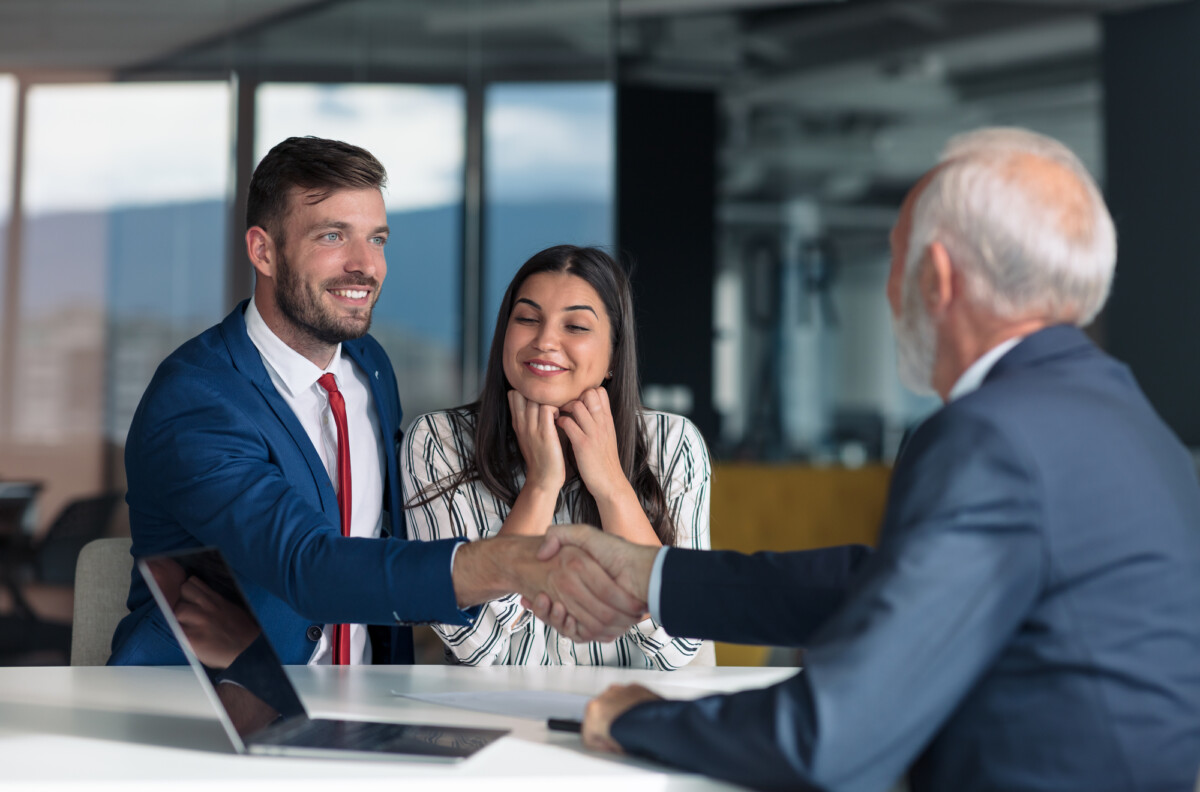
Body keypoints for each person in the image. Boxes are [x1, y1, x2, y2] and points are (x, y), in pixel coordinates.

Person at [529, 128, 1200, 791]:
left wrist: (641, 718)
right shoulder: (1131, 423)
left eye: (895, 260)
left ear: (935, 278)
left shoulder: (992, 439)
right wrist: (654, 576)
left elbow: (827, 736)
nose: (887, 293)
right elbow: (885, 589)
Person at [109, 136, 641, 668]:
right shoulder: (196, 399)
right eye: (333, 236)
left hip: (363, 700)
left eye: (378, 239)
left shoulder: (370, 366)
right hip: (210, 711)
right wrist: (510, 561)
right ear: (263, 251)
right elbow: (306, 566)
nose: (365, 265)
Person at [401, 245, 711, 668]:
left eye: (577, 326)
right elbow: (476, 644)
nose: (545, 341)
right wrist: (542, 484)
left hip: (627, 720)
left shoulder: (672, 443)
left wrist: (612, 485)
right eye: (527, 319)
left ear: (614, 357)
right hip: (491, 723)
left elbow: (680, 645)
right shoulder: (437, 441)